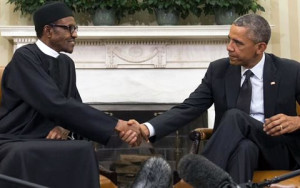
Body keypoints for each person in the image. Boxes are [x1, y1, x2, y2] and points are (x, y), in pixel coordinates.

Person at [122, 13, 300, 184]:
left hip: (277, 150)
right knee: (244, 148)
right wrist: (146, 128)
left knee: (234, 116)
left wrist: (297, 121)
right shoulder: (219, 71)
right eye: (229, 39)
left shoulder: (290, 71)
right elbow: (189, 108)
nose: (229, 47)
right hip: (239, 150)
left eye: (238, 43)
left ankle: (199, 176)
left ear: (260, 47)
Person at [0, 2, 145, 188]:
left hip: (51, 140)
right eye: (69, 28)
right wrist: (118, 125)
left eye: (75, 28)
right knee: (25, 153)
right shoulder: (25, 57)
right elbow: (54, 103)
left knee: (83, 148)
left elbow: (73, 105)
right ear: (48, 30)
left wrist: (65, 127)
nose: (75, 34)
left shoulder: (66, 63)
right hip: (19, 137)